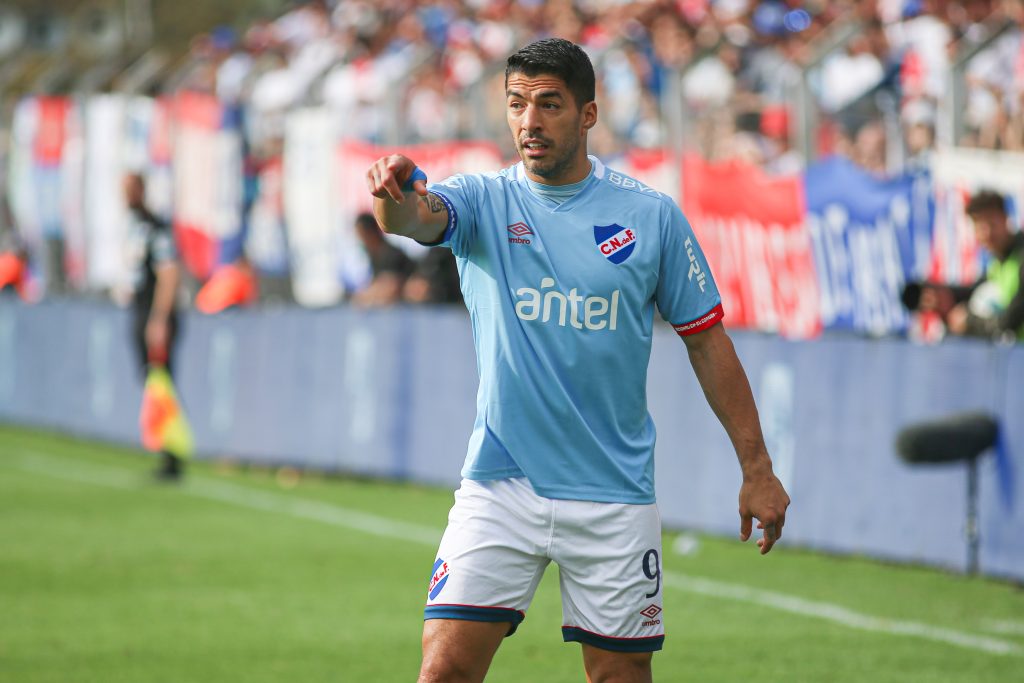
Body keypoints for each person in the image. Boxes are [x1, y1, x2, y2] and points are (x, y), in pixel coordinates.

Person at [366, 38, 790, 683]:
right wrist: (391, 188)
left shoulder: (650, 216)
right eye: (516, 104)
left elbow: (707, 341)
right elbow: (411, 219)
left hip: (613, 494)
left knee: (620, 677)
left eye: (549, 104)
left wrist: (757, 469)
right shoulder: (482, 200)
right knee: (443, 670)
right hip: (501, 485)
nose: (529, 121)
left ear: (588, 114)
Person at [124, 173, 185, 480]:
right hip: (141, 312)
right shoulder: (135, 225)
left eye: (128, 188)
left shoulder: (156, 227)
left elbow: (169, 273)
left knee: (162, 384)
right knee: (153, 383)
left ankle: (172, 455)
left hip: (154, 317)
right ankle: (165, 450)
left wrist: (159, 319)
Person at [350, 211, 415, 306]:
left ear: (371, 233)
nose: (360, 240)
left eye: (361, 235)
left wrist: (366, 296)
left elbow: (391, 288)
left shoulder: (392, 254)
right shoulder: (373, 254)